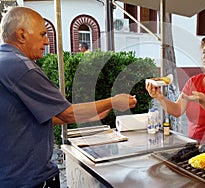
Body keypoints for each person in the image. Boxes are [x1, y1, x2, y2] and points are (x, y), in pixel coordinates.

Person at [0, 6, 137, 188]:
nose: (47, 42)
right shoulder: (23, 68)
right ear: (22, 35)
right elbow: (67, 114)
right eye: (42, 34)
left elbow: (31, 117)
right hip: (28, 181)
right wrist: (113, 101)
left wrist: (99, 111)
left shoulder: (5, 61)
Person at [146, 35, 205, 147]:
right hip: (194, 146)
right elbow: (177, 110)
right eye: (204, 52)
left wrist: (204, 102)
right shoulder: (193, 82)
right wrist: (159, 97)